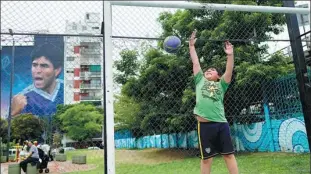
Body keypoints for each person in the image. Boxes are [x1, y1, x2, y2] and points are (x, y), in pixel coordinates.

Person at [189, 30, 238, 174]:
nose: (208, 70)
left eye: (213, 70)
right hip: (204, 126)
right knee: (206, 159)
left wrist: (230, 55)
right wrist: (191, 46)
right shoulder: (200, 80)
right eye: (207, 70)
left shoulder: (221, 85)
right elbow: (196, 62)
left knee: (229, 155)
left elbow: (229, 70)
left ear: (218, 76)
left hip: (221, 124)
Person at [11, 43, 64, 117]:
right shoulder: (23, 99)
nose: (38, 70)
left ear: (57, 70)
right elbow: (7, 127)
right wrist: (14, 113)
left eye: (44, 66)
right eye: (34, 65)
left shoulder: (67, 89)